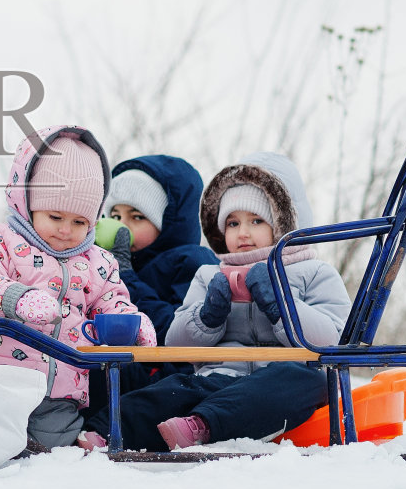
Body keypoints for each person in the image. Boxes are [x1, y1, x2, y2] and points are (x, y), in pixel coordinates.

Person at [82, 151, 349, 452]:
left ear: (283, 221)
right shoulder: (209, 274)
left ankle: (202, 426)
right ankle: (102, 432)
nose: (242, 233)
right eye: (233, 223)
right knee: (171, 391)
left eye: (256, 220)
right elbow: (175, 344)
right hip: (218, 376)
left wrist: (281, 306)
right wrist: (207, 316)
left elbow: (332, 340)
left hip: (282, 379)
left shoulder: (314, 272)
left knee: (306, 380)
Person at [0, 125, 153, 449]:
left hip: (63, 388)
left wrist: (130, 323)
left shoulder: (98, 261)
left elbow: (111, 299)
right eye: (55, 216)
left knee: (52, 454)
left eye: (79, 222)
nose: (66, 230)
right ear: (27, 202)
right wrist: (16, 298)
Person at [95, 155, 219, 390]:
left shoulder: (193, 261)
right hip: (111, 369)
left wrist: (125, 276)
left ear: (168, 222)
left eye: (137, 217)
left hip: (167, 380)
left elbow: (180, 331)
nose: (122, 226)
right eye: (115, 216)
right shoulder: (104, 264)